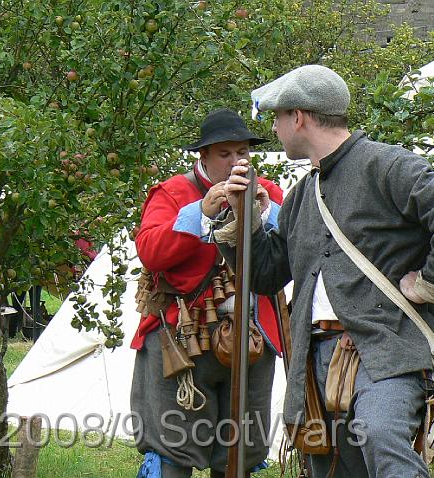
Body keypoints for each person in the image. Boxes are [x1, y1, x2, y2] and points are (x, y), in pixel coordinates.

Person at [215, 65, 434, 477]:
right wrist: (244, 222)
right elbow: (269, 274)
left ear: (299, 117)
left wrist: (431, 286)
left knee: (382, 440)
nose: (274, 128)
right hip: (316, 355)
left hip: (387, 347)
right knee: (330, 465)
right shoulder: (302, 195)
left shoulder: (387, 166)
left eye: (277, 117)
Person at [130, 108, 284, 478]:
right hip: (183, 339)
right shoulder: (173, 192)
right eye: (225, 154)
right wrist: (200, 211)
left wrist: (268, 213)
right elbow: (151, 251)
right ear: (203, 155)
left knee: (241, 451)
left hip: (251, 340)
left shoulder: (267, 191)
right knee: (172, 450)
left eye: (242, 152)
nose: (236, 161)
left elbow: (296, 244)